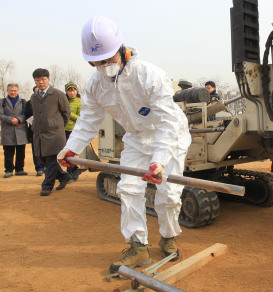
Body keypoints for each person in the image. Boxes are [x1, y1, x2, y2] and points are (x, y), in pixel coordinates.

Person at [57, 15, 191, 273]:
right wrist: (71, 148)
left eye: (108, 59)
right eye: (98, 62)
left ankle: (168, 237)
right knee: (128, 189)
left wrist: (159, 161)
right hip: (136, 139)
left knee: (168, 196)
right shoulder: (96, 84)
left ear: (122, 50)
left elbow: (167, 123)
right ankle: (138, 247)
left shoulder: (149, 75)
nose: (104, 65)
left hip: (169, 136)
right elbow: (87, 120)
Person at [31, 69, 73, 196]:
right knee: (43, 159)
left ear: (49, 79)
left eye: (43, 79)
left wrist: (58, 127)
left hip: (54, 135)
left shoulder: (58, 94)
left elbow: (67, 113)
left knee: (51, 160)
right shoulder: (34, 97)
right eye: (38, 80)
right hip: (39, 135)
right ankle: (63, 176)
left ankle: (47, 186)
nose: (41, 82)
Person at [0, 83, 28, 178]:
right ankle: (8, 170)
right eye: (11, 90)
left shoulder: (23, 102)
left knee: (21, 151)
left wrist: (19, 119)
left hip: (21, 130)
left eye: (15, 90)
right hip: (7, 130)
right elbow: (1, 115)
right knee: (8, 151)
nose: (13, 92)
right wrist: (11, 120)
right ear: (7, 91)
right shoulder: (2, 102)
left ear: (18, 91)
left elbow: (26, 114)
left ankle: (19, 169)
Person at [63, 82, 82, 181]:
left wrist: (69, 114)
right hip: (63, 130)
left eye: (73, 90)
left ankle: (70, 173)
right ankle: (75, 169)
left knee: (69, 153)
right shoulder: (63, 101)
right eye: (69, 91)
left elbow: (80, 118)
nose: (72, 93)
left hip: (74, 131)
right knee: (62, 152)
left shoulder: (79, 102)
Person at [25, 86, 45, 176]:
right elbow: (27, 115)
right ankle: (39, 168)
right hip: (34, 129)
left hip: (47, 130)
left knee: (47, 149)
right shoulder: (29, 103)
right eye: (37, 92)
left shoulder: (48, 102)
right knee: (36, 149)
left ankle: (47, 166)